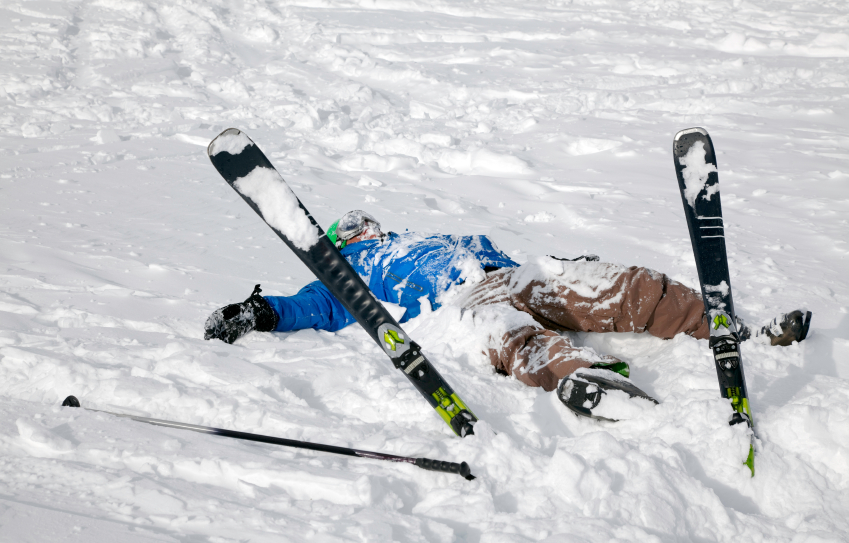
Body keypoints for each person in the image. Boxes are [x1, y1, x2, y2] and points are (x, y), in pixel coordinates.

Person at [204, 210, 810, 397]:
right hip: (458, 304)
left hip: (508, 274)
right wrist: (257, 313)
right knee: (503, 332)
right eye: (352, 226)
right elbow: (309, 307)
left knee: (608, 283)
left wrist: (568, 273)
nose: (363, 225)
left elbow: (493, 250)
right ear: (340, 242)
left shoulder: (430, 236)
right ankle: (585, 378)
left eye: (365, 220)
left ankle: (727, 327)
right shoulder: (347, 273)